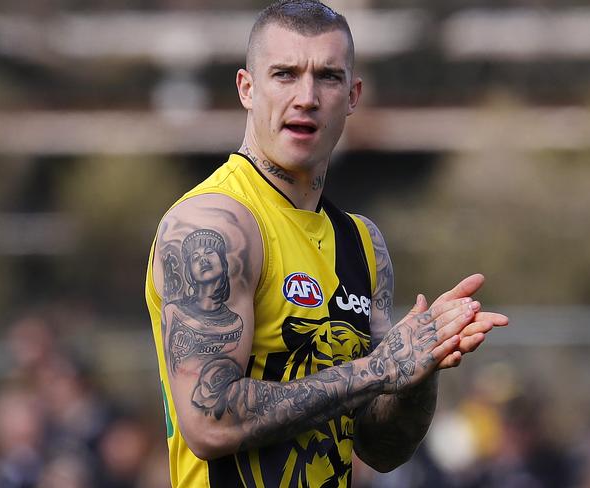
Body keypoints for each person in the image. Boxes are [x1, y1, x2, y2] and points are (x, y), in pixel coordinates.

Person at [144, 1, 509, 486]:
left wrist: (419, 369)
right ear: (247, 89)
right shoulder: (213, 225)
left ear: (353, 94)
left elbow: (381, 448)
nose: (307, 97)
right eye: (285, 74)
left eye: (328, 77)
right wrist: (376, 371)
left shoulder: (363, 243)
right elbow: (210, 422)